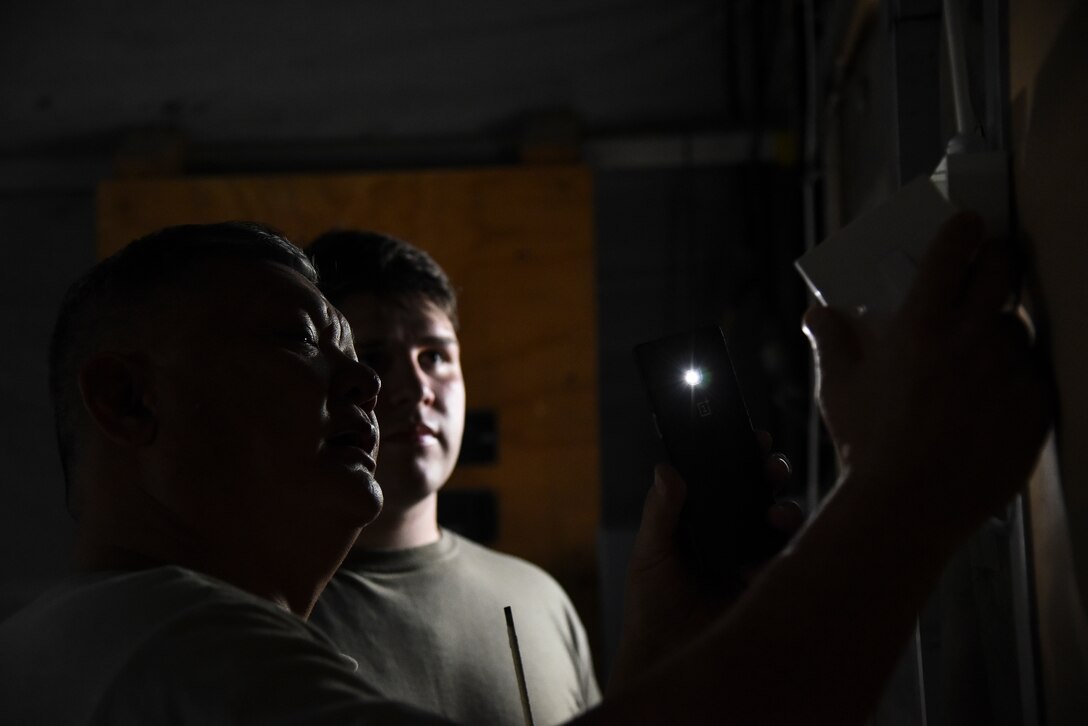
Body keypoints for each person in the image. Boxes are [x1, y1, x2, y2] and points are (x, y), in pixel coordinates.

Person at [0, 212, 1051, 725]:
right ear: (129, 401)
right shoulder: (160, 651)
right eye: (303, 346)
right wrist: (907, 481)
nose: (374, 389)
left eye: (427, 358)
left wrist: (658, 645)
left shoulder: (127, 640)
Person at [305, 231, 601, 725]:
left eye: (436, 357)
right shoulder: (270, 614)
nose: (416, 388)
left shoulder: (540, 598)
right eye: (374, 358)